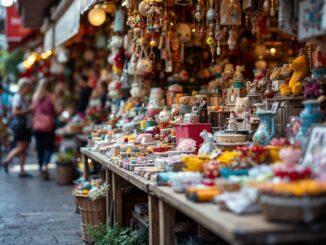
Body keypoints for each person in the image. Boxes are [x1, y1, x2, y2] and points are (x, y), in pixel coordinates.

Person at [1, 78, 33, 177]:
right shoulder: (18, 97)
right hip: (20, 126)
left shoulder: (22, 97)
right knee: (21, 147)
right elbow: (15, 112)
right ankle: (7, 160)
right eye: (28, 87)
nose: (29, 90)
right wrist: (28, 110)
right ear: (24, 87)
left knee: (23, 149)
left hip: (24, 126)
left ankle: (21, 170)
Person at [32, 79, 56, 180]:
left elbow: (33, 110)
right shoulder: (51, 96)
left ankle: (40, 167)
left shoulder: (36, 96)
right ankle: (46, 165)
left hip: (37, 125)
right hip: (48, 125)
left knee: (40, 148)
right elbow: (57, 110)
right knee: (49, 148)